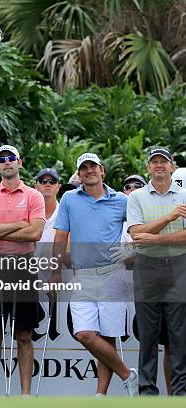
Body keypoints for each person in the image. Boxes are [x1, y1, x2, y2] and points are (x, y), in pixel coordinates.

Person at [53, 152, 138, 396]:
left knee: (108, 337)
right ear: (79, 174)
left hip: (113, 275)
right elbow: (60, 238)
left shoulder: (122, 200)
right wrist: (56, 271)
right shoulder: (69, 198)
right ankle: (126, 374)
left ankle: (100, 395)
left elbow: (138, 230)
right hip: (82, 276)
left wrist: (130, 251)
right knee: (85, 334)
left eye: (93, 167)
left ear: (102, 171)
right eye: (84, 168)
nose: (89, 171)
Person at [0, 145, 46, 396]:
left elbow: (35, 232)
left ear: (20, 162)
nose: (6, 162)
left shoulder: (34, 196)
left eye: (11, 158)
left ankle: (25, 396)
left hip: (24, 265)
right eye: (1, 159)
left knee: (24, 334)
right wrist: (18, 224)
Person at [126, 147, 186, 396]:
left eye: (164, 161)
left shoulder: (185, 195)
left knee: (179, 336)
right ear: (148, 168)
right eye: (154, 162)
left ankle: (180, 393)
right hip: (147, 269)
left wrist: (156, 239)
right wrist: (171, 217)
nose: (159, 165)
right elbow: (137, 234)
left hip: (179, 267)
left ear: (172, 166)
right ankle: (147, 393)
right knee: (147, 336)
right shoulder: (136, 197)